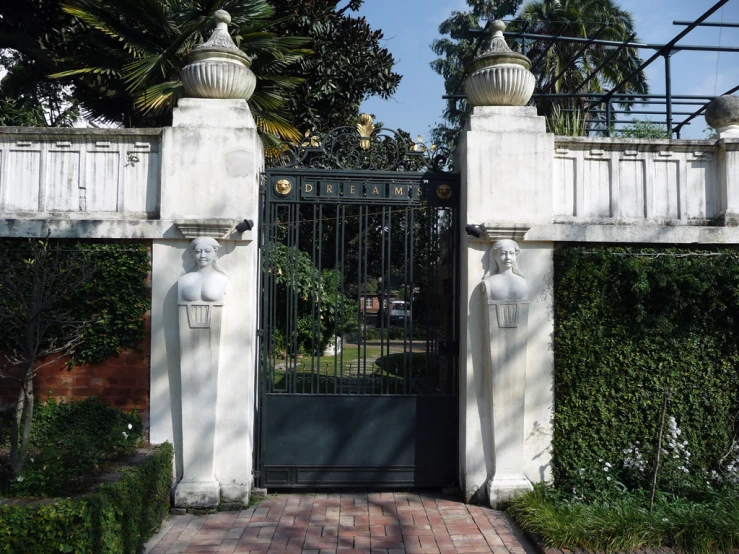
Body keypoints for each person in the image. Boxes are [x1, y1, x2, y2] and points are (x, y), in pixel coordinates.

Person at [178, 237, 230, 303]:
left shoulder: (222, 279)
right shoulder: (184, 279)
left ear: (215, 253)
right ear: (194, 254)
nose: (202, 255)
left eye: (207, 251)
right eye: (198, 251)